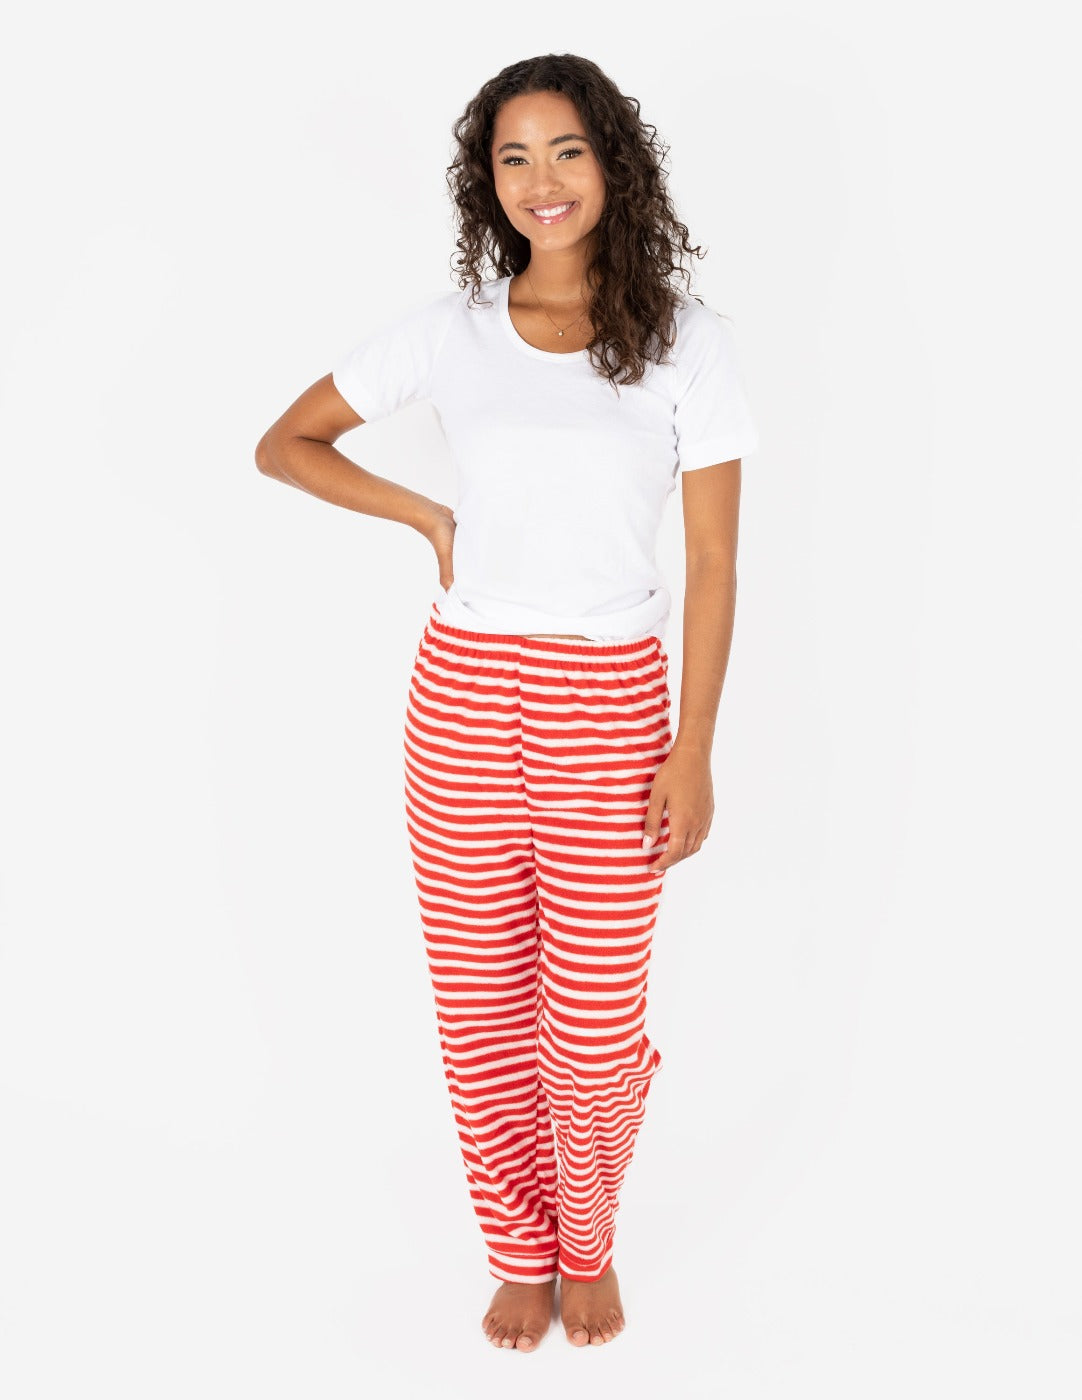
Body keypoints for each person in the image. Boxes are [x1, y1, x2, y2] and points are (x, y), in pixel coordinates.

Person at [255, 52, 759, 1353]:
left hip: (611, 702)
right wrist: (426, 516)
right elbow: (285, 443)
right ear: (487, 181)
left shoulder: (687, 343)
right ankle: (519, 1249)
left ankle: (589, 1238)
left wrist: (694, 747)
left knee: (591, 1023)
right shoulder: (452, 330)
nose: (542, 180)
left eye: (567, 150)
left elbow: (712, 562)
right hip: (464, 698)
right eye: (513, 157)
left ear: (613, 164)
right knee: (482, 1012)